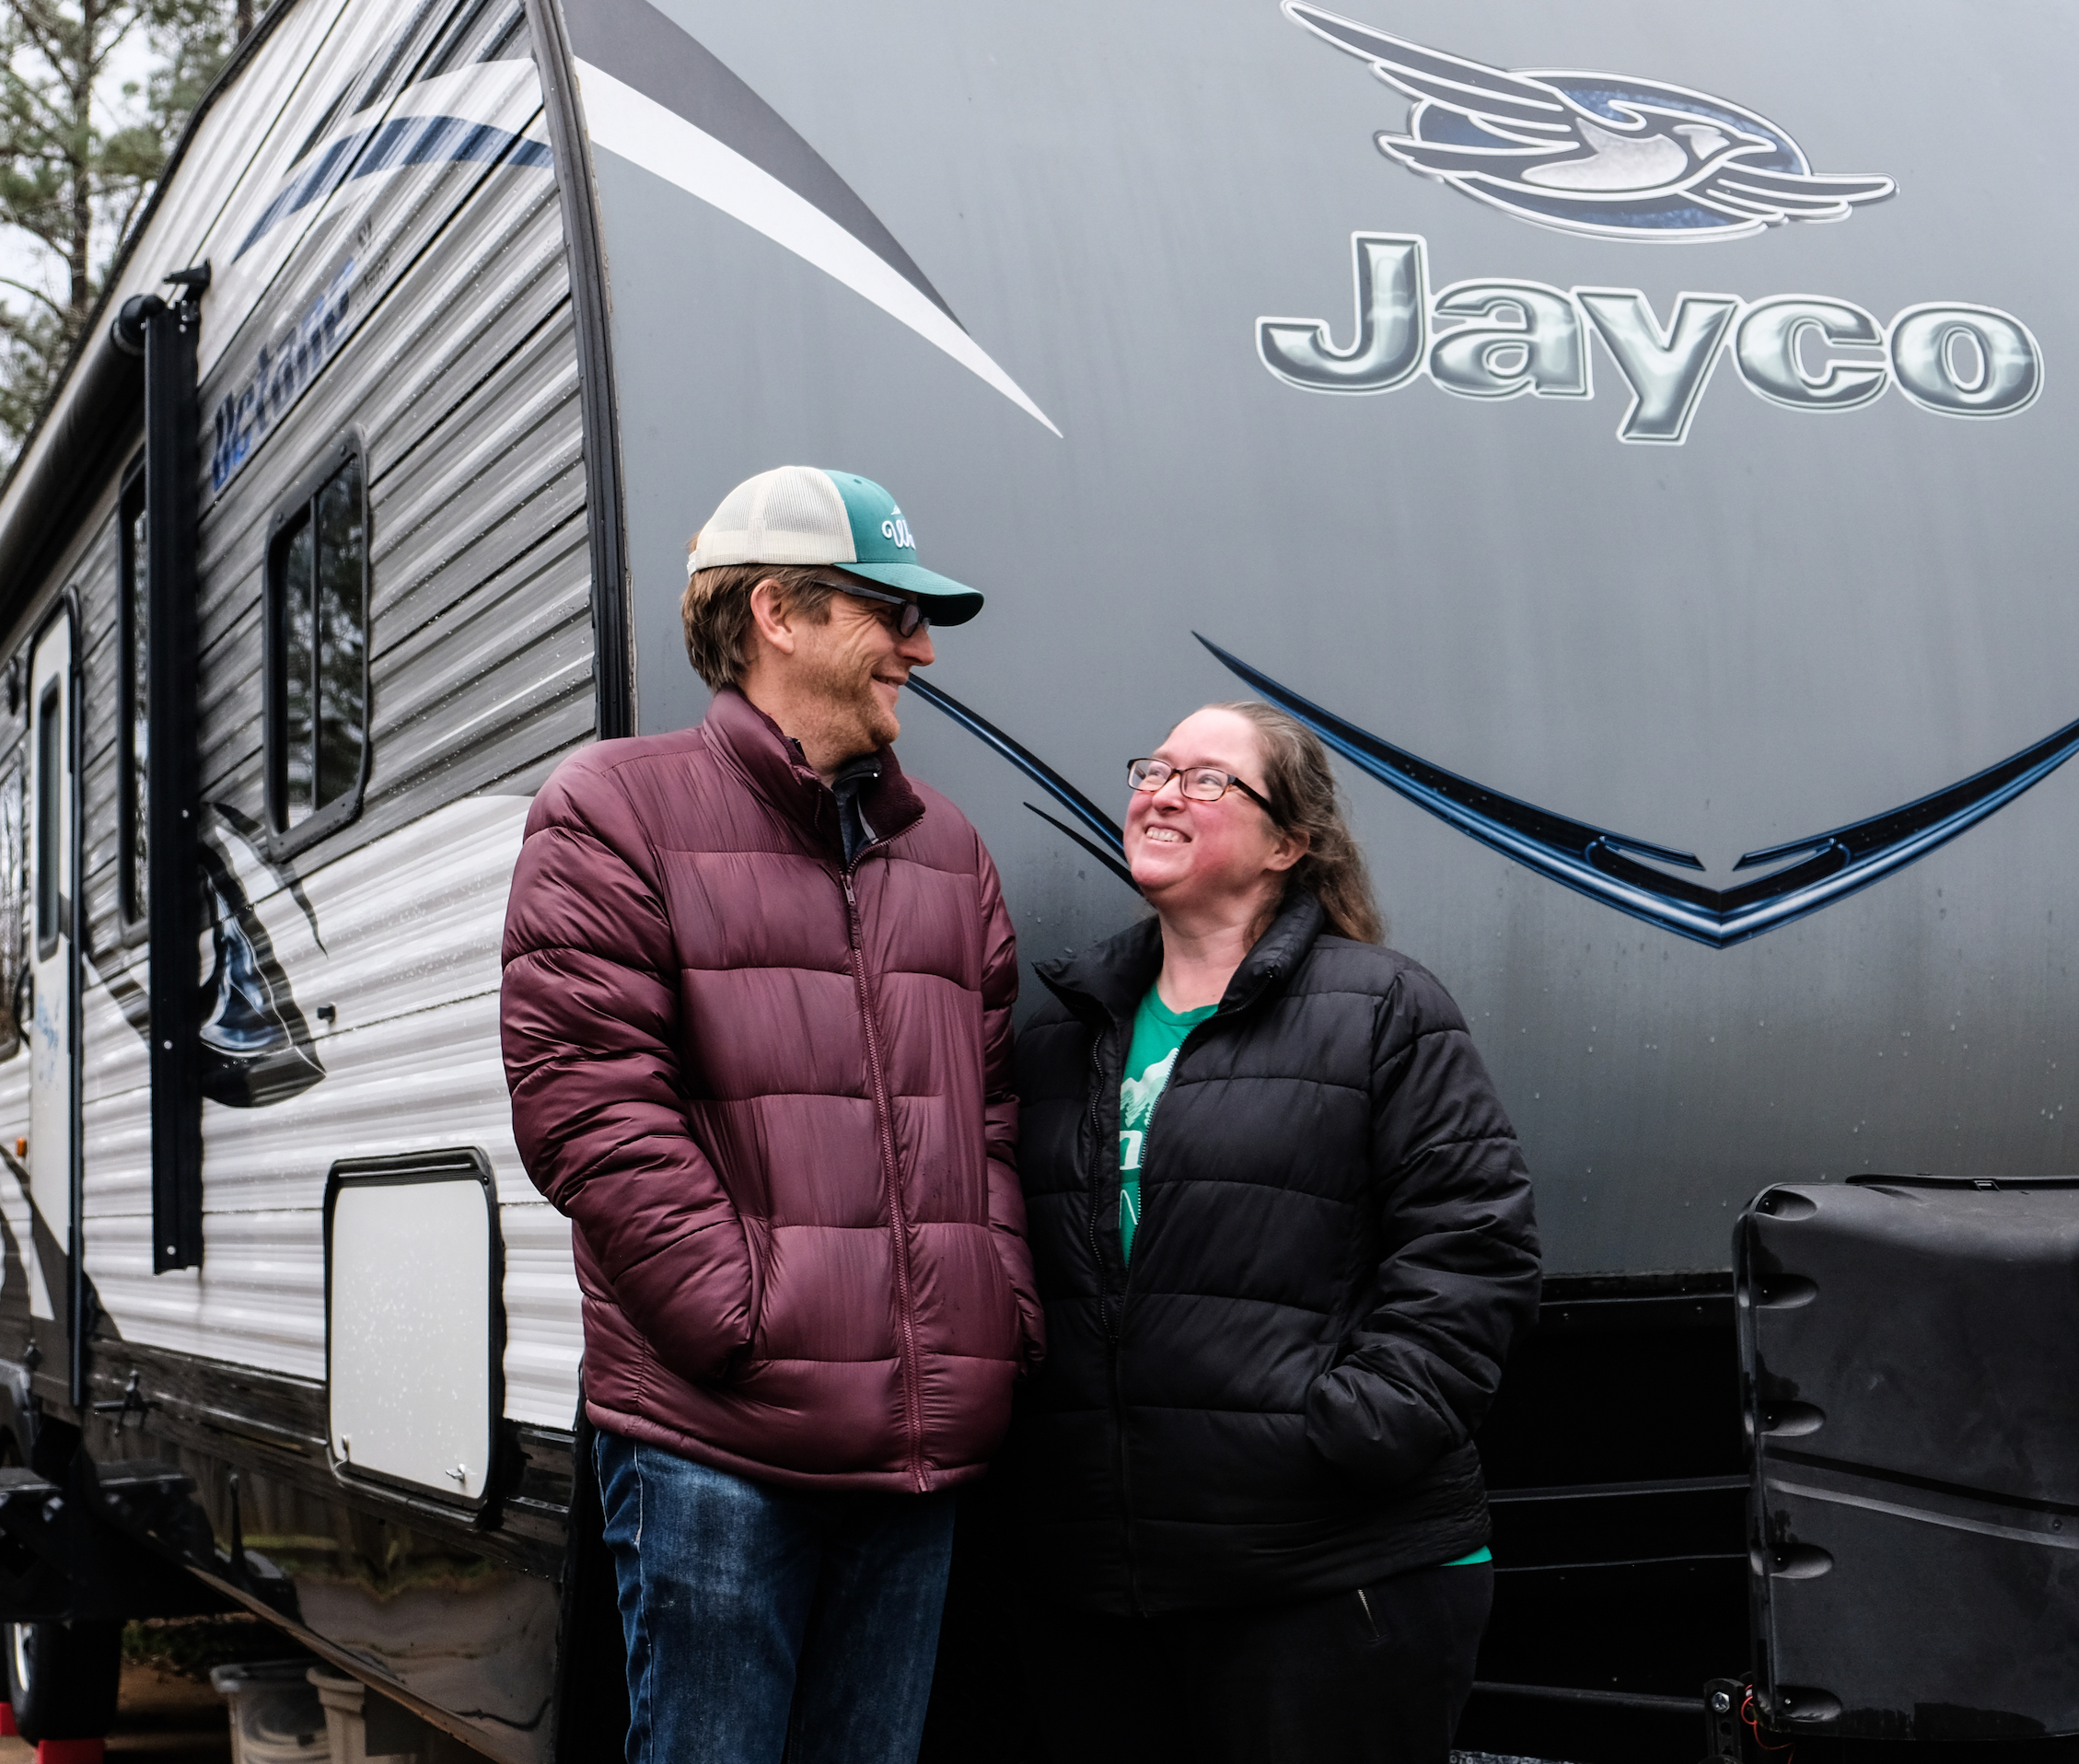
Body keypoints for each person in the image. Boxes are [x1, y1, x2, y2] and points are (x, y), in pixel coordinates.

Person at [499, 465, 1044, 1764]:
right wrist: (744, 1319)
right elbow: (587, 1101)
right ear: (775, 614)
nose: (917, 649)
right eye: (886, 612)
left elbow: (990, 1120)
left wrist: (995, 1313)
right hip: (717, 1444)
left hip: (918, 1450)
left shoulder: (949, 854)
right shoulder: (614, 810)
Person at [1003, 700, 1539, 1763]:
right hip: (1108, 1600)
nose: (1160, 790)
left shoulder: (1383, 1008)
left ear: (1289, 843)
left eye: (1208, 779)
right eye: (1153, 767)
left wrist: (1341, 1431)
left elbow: (1475, 1247)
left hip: (1331, 1580)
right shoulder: (1062, 1034)